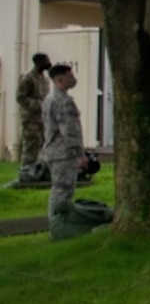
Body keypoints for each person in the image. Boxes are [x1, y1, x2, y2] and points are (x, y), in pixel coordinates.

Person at [40, 63, 86, 218]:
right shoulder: (62, 101)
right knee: (63, 189)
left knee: (61, 188)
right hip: (63, 153)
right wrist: (79, 154)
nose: (74, 79)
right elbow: (69, 130)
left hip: (55, 151)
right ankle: (57, 222)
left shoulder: (49, 98)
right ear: (60, 79)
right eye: (70, 76)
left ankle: (58, 220)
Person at [15, 52, 50, 165]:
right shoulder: (27, 78)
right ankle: (26, 172)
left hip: (43, 119)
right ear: (38, 63)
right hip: (31, 121)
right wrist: (37, 105)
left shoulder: (45, 80)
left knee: (42, 146)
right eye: (46, 61)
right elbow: (20, 98)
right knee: (30, 147)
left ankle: (37, 171)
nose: (49, 63)